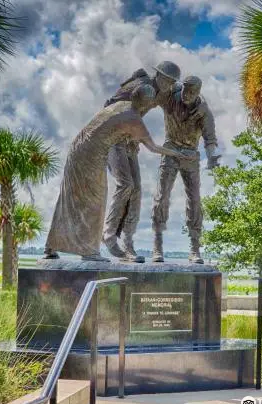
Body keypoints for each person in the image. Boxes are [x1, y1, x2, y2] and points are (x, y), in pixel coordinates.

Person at [44, 85, 193, 261]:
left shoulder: (122, 104)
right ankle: (89, 251)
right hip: (92, 155)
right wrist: (178, 153)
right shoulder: (134, 120)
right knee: (95, 200)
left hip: (78, 147)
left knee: (69, 199)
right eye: (152, 102)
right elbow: (153, 148)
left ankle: (50, 247)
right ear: (145, 103)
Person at [102, 61, 181, 263]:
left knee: (136, 190)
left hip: (130, 142)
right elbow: (109, 107)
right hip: (114, 139)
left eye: (173, 82)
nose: (170, 84)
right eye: (168, 80)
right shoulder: (138, 86)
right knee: (125, 184)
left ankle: (127, 243)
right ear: (159, 76)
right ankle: (109, 235)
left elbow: (177, 97)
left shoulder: (163, 92)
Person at [152, 76, 221, 264]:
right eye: (185, 90)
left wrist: (212, 157)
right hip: (170, 150)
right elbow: (154, 90)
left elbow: (210, 139)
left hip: (191, 156)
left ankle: (194, 248)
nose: (186, 95)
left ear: (198, 92)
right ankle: (157, 245)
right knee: (162, 196)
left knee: (195, 200)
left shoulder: (203, 111)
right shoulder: (170, 97)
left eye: (191, 92)